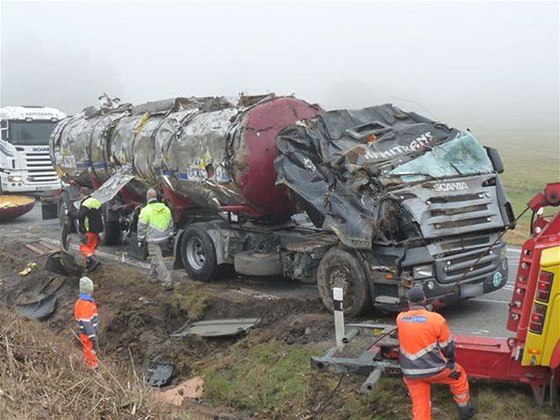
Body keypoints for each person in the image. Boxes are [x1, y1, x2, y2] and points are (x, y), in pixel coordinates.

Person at [396, 286, 476, 420]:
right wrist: (451, 361)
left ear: (409, 302)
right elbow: (448, 346)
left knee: (420, 406)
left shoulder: (400, 318)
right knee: (459, 375)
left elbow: (416, 320)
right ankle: (465, 410)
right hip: (434, 370)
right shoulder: (436, 319)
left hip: (410, 372)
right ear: (424, 299)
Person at [137, 188, 174, 290]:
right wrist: (170, 235)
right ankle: (152, 277)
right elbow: (170, 223)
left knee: (157, 260)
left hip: (153, 239)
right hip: (164, 237)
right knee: (156, 256)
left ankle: (167, 282)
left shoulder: (145, 210)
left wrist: (140, 239)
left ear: (147, 197)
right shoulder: (166, 209)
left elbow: (141, 226)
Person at [68, 187, 103, 271]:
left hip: (89, 229)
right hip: (97, 228)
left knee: (83, 247)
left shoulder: (85, 204)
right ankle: (91, 265)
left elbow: (80, 216)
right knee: (91, 247)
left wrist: (69, 213)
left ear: (82, 194)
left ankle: (93, 261)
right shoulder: (96, 201)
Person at [74, 276, 100, 369]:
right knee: (90, 351)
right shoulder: (86, 304)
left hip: (86, 333)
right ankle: (92, 368)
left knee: (88, 350)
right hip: (88, 333)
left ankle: (89, 366)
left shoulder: (80, 302)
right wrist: (92, 336)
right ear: (90, 290)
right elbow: (86, 322)